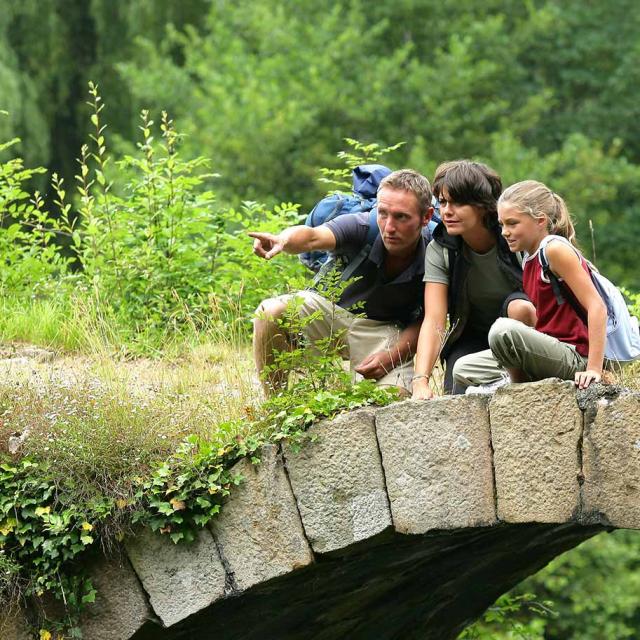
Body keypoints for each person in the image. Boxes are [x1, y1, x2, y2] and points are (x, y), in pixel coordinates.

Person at [250, 169, 434, 396]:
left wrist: (391, 357)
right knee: (270, 312)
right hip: (328, 310)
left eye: (401, 217)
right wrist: (283, 240)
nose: (389, 227)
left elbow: (429, 319)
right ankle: (274, 406)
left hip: (382, 330)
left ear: (426, 217)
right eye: (383, 213)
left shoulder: (436, 250)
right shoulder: (363, 226)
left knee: (394, 398)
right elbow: (312, 237)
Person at [454, 180, 607, 391]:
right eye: (501, 225)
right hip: (551, 350)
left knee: (502, 331)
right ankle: (515, 382)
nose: (504, 232)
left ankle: (518, 389)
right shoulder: (527, 258)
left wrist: (594, 369)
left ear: (540, 221)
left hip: (576, 355)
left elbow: (597, 307)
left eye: (512, 223)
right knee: (463, 368)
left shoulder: (554, 250)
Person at [411, 160, 536, 400]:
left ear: (483, 206)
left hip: (524, 335)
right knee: (457, 396)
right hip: (472, 338)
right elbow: (435, 320)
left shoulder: (514, 238)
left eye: (458, 203)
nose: (446, 211)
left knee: (519, 307)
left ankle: (523, 383)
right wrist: (421, 381)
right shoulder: (441, 249)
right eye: (443, 202)